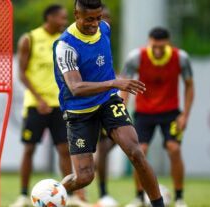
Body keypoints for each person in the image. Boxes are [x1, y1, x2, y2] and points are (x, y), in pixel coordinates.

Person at [53, 0, 165, 207]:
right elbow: (75, 87)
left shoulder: (104, 28)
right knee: (84, 177)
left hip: (107, 101)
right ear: (76, 14)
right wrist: (114, 82)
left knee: (136, 152)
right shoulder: (65, 46)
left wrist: (112, 87)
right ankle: (51, 194)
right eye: (89, 19)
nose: (95, 24)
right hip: (79, 110)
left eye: (98, 18)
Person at [11, 4, 89, 207]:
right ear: (50, 17)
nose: (65, 22)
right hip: (36, 105)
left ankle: (69, 195)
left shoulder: (66, 40)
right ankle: (22, 195)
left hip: (60, 105)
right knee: (29, 149)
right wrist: (39, 98)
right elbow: (21, 73)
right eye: (62, 18)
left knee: (64, 150)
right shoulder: (30, 39)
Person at [122, 27, 194, 207]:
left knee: (174, 149)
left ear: (168, 43)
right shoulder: (136, 57)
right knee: (139, 152)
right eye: (155, 46)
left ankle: (179, 198)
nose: (158, 50)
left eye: (162, 46)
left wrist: (185, 114)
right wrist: (122, 109)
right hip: (144, 113)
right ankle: (139, 198)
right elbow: (124, 85)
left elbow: (189, 86)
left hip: (170, 113)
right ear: (149, 42)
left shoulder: (181, 58)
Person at [94, 4, 119, 207]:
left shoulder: (106, 37)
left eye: (108, 17)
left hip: (106, 99)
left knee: (124, 139)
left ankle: (103, 193)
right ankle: (100, 192)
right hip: (87, 101)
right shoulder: (81, 38)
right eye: (103, 17)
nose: (106, 20)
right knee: (99, 148)